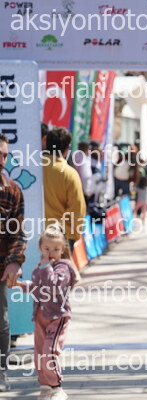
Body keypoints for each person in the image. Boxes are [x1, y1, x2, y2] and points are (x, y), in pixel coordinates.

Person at [18, 225, 78, 400]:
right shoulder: (41, 266)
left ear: (63, 249)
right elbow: (38, 288)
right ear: (40, 247)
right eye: (47, 248)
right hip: (40, 316)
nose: (51, 253)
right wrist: (21, 285)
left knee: (49, 351)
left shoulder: (63, 267)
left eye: (56, 249)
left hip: (57, 316)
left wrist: (45, 266)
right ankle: (45, 387)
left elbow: (53, 286)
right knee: (39, 354)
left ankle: (57, 388)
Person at [0, 133, 27, 392]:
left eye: (5, 155)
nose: (2, 160)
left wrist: (15, 262)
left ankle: (0, 372)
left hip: (0, 267)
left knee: (1, 321)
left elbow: (18, 232)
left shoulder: (12, 190)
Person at [42, 128, 86, 251]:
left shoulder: (33, 169)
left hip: (36, 232)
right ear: (68, 148)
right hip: (62, 235)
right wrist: (75, 235)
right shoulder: (70, 173)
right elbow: (77, 208)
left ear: (46, 142)